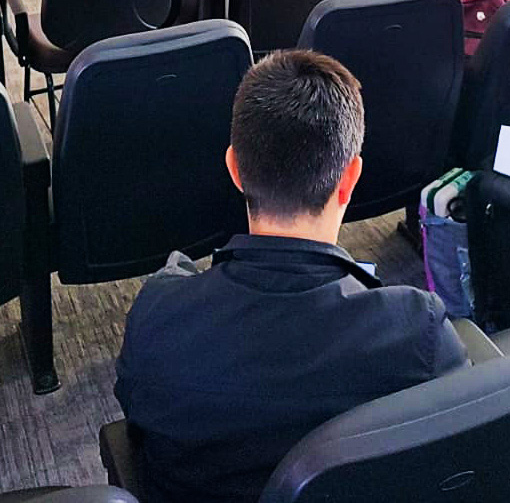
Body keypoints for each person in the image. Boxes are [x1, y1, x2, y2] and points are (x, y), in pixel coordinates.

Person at [114, 49, 467, 503]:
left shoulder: (158, 318)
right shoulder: (418, 332)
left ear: (235, 169)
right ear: (350, 179)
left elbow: (137, 419)